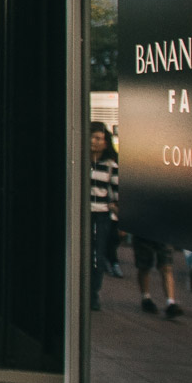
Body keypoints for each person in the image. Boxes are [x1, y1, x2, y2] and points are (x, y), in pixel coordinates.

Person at [89, 123, 120, 313]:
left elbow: (116, 194)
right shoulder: (81, 160)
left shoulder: (110, 166)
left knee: (97, 256)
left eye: (100, 138)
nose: (96, 142)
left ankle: (93, 293)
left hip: (100, 214)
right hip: (84, 212)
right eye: (93, 137)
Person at [134, 238, 184, 320]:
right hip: (144, 232)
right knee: (144, 266)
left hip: (164, 231)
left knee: (167, 266)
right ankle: (146, 298)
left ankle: (170, 303)